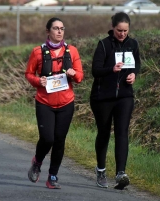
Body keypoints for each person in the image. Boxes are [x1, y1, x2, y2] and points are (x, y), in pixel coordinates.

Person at [25, 17, 84, 189]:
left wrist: (73, 74)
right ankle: (37, 162)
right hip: (44, 102)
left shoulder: (72, 51)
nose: (59, 31)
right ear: (48, 31)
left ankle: (53, 176)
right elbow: (29, 74)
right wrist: (38, 81)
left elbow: (80, 77)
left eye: (62, 28)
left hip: (66, 103)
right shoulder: (37, 52)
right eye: (56, 28)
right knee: (47, 138)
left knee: (59, 140)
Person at [90, 12, 141, 190]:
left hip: (125, 96)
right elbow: (95, 70)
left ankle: (121, 173)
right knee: (104, 133)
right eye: (119, 30)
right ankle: (101, 170)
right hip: (102, 96)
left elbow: (136, 65)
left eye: (125, 31)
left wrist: (134, 74)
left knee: (122, 132)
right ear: (113, 28)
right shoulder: (104, 45)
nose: (122, 34)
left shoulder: (133, 44)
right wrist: (111, 69)